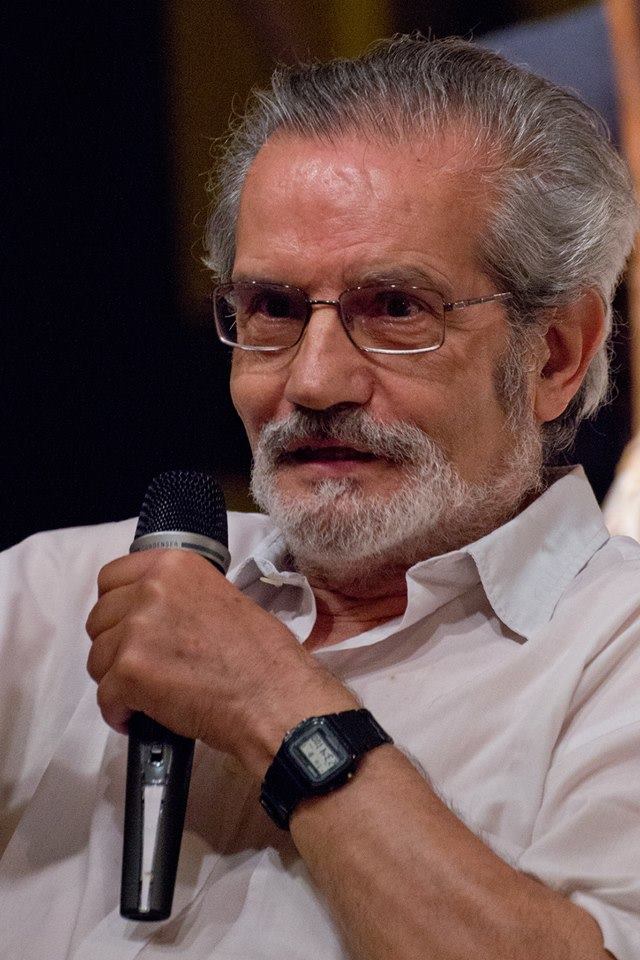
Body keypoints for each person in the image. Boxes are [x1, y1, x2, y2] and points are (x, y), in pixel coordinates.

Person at [1, 35, 639, 960]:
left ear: (556, 354)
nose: (313, 380)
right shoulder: (59, 594)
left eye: (397, 309)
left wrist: (277, 705)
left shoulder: (615, 650)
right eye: (273, 309)